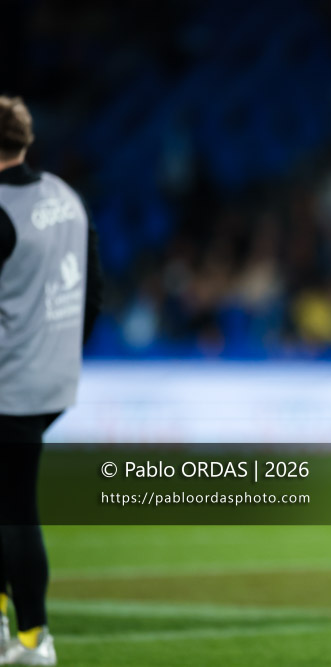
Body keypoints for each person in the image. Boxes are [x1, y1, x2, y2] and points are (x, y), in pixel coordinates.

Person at [0, 95, 103, 665]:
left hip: (9, 385)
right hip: (52, 379)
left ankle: (35, 639)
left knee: (14, 508)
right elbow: (94, 288)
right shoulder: (63, 196)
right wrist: (63, 353)